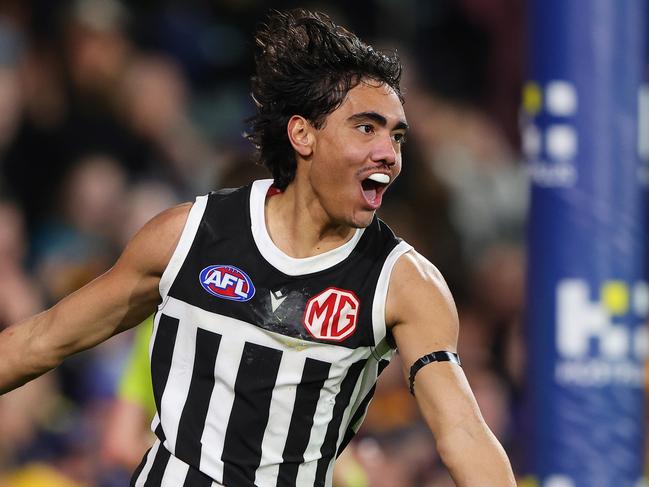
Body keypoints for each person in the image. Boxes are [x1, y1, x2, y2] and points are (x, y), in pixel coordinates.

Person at [0, 9, 515, 487]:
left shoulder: (404, 283)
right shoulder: (188, 235)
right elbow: (42, 339)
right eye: (366, 128)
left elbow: (463, 432)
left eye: (397, 137)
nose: (389, 154)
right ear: (303, 134)